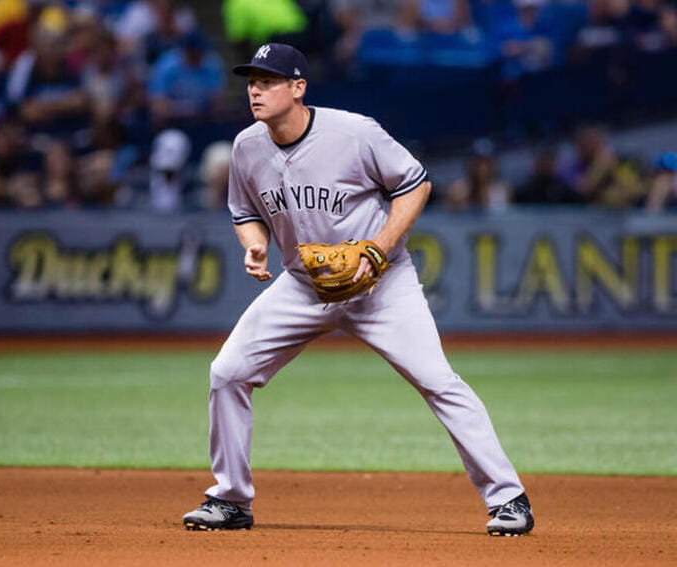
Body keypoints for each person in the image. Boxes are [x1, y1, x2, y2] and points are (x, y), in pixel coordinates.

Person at [182, 43, 535, 536]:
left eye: (268, 81)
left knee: (438, 381)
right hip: (303, 286)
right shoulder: (247, 146)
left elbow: (416, 184)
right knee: (227, 373)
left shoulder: (354, 132)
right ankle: (231, 500)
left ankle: (509, 499)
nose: (256, 90)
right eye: (252, 82)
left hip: (380, 284)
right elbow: (244, 212)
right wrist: (255, 245)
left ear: (298, 88)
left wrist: (378, 248)